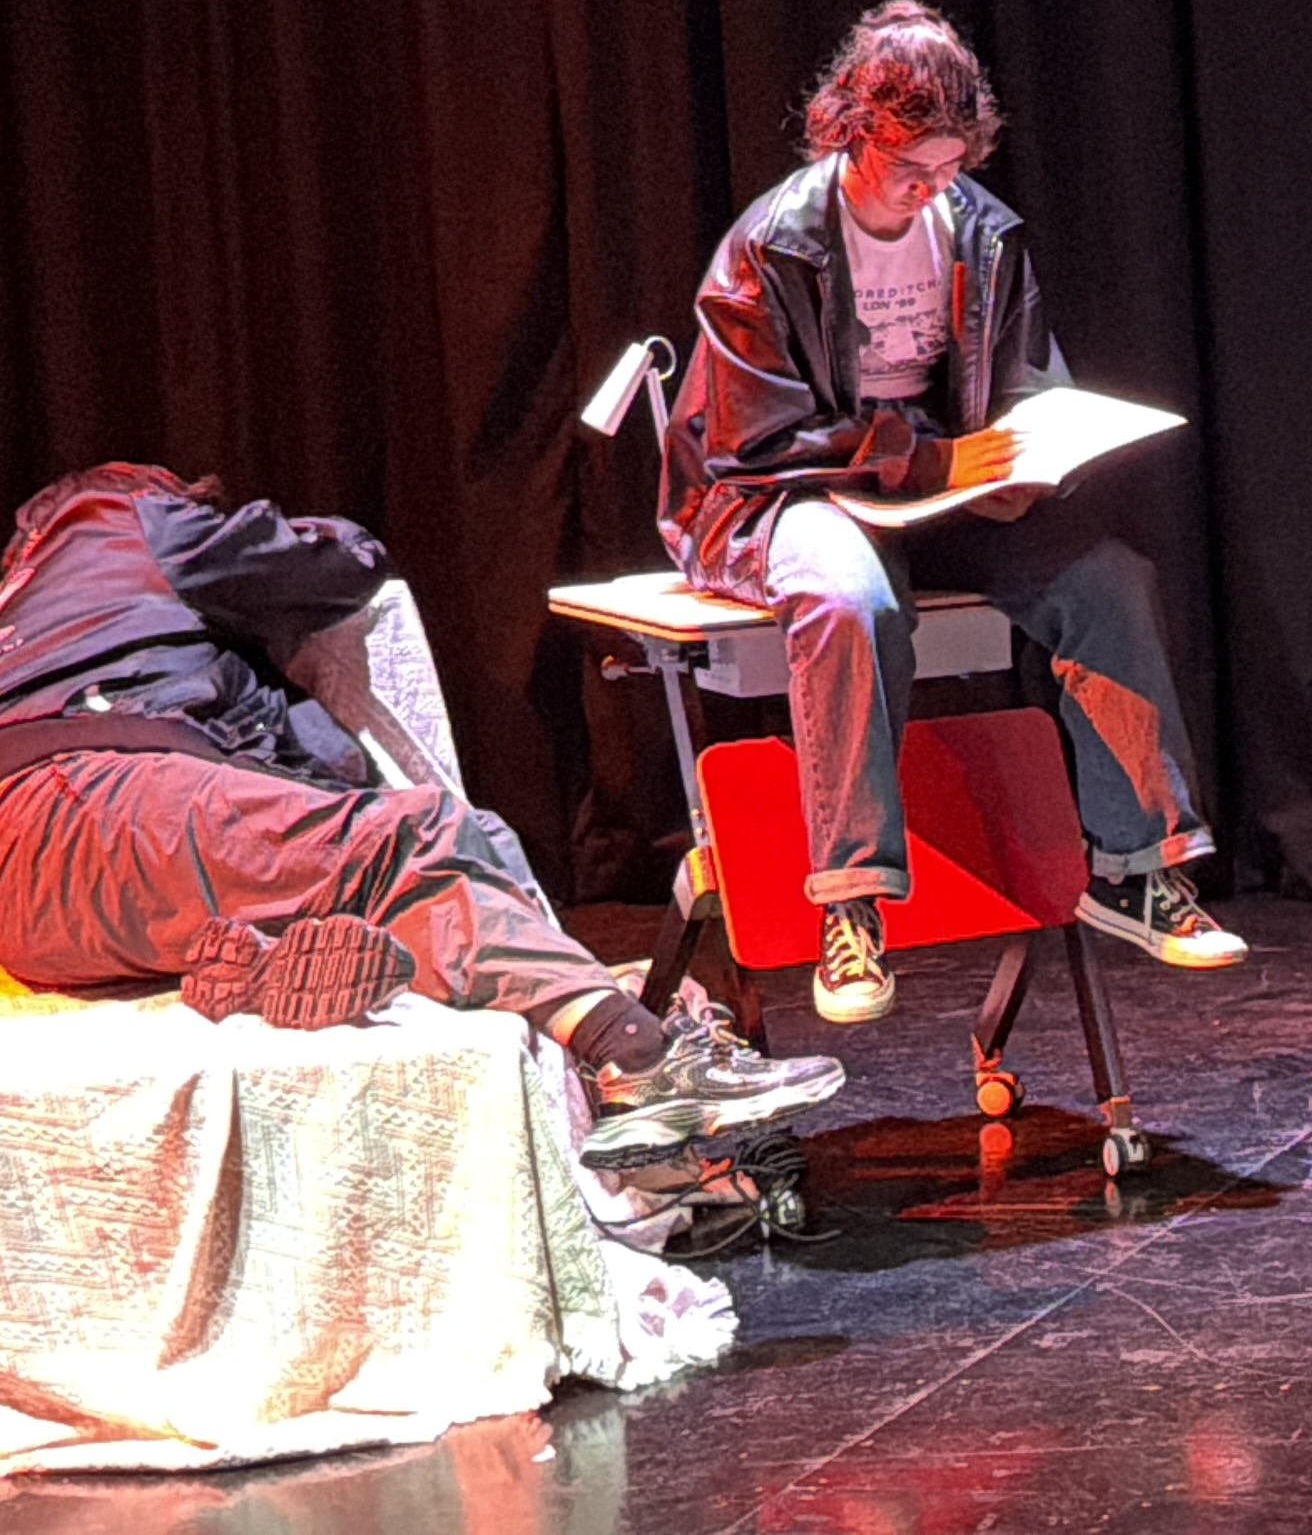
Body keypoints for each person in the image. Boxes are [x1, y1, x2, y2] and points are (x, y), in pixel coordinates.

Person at [659, 0, 1241, 1025]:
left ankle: (1140, 870)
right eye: (911, 169)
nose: (932, 188)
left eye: (950, 167)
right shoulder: (773, 246)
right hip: (780, 491)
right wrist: (926, 461)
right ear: (851, 134)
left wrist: (1028, 457)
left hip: (931, 489)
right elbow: (755, 437)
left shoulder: (980, 231)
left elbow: (1022, 382)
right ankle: (851, 904)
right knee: (849, 600)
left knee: (1107, 582)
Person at [0, 463, 844, 1164]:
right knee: (414, 834)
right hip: (107, 804)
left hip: (40, 909)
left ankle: (274, 963)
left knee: (473, 851)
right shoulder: (118, 514)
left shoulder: (20, 607)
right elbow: (337, 565)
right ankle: (640, 1062)